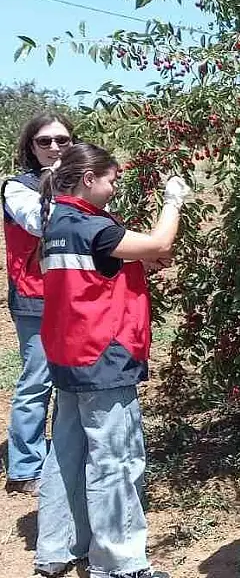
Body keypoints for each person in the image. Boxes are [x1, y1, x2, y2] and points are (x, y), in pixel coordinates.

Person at [32, 142, 191, 578]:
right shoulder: (90, 225)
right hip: (104, 353)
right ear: (89, 179)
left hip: (67, 354)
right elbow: (160, 240)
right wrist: (172, 201)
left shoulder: (57, 224)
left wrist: (138, 265)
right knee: (116, 458)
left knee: (66, 453)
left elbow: (97, 273)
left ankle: (58, 549)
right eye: (111, 179)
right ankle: (119, 563)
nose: (114, 186)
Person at [2, 112, 75, 495]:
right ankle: (25, 467)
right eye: (44, 141)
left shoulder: (81, 183)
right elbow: (40, 222)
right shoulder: (17, 187)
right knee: (36, 380)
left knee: (70, 379)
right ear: (30, 147)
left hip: (74, 296)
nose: (54, 148)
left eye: (62, 140)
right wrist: (59, 183)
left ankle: (60, 456)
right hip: (34, 297)